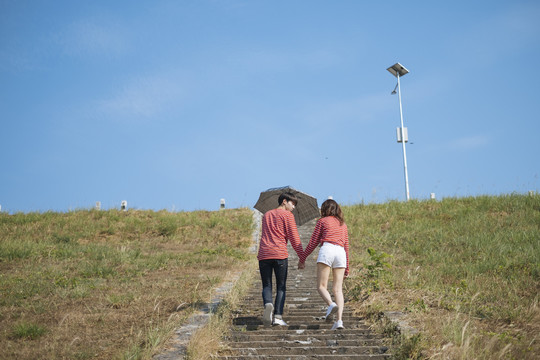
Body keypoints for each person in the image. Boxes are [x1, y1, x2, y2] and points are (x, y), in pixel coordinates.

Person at [299, 199, 349, 330]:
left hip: (327, 249)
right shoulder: (342, 224)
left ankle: (331, 304)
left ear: (324, 209)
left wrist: (303, 258)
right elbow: (347, 246)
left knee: (321, 286)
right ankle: (339, 321)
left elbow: (313, 242)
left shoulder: (322, 221)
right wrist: (347, 267)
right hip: (341, 252)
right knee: (338, 289)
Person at [257, 192, 305, 326]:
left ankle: (268, 304)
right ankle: (277, 317)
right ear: (284, 201)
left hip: (264, 254)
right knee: (281, 286)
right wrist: (302, 257)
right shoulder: (288, 215)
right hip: (280, 254)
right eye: (292, 203)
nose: (294, 207)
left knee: (266, 285)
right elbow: (295, 239)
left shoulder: (266, 215)